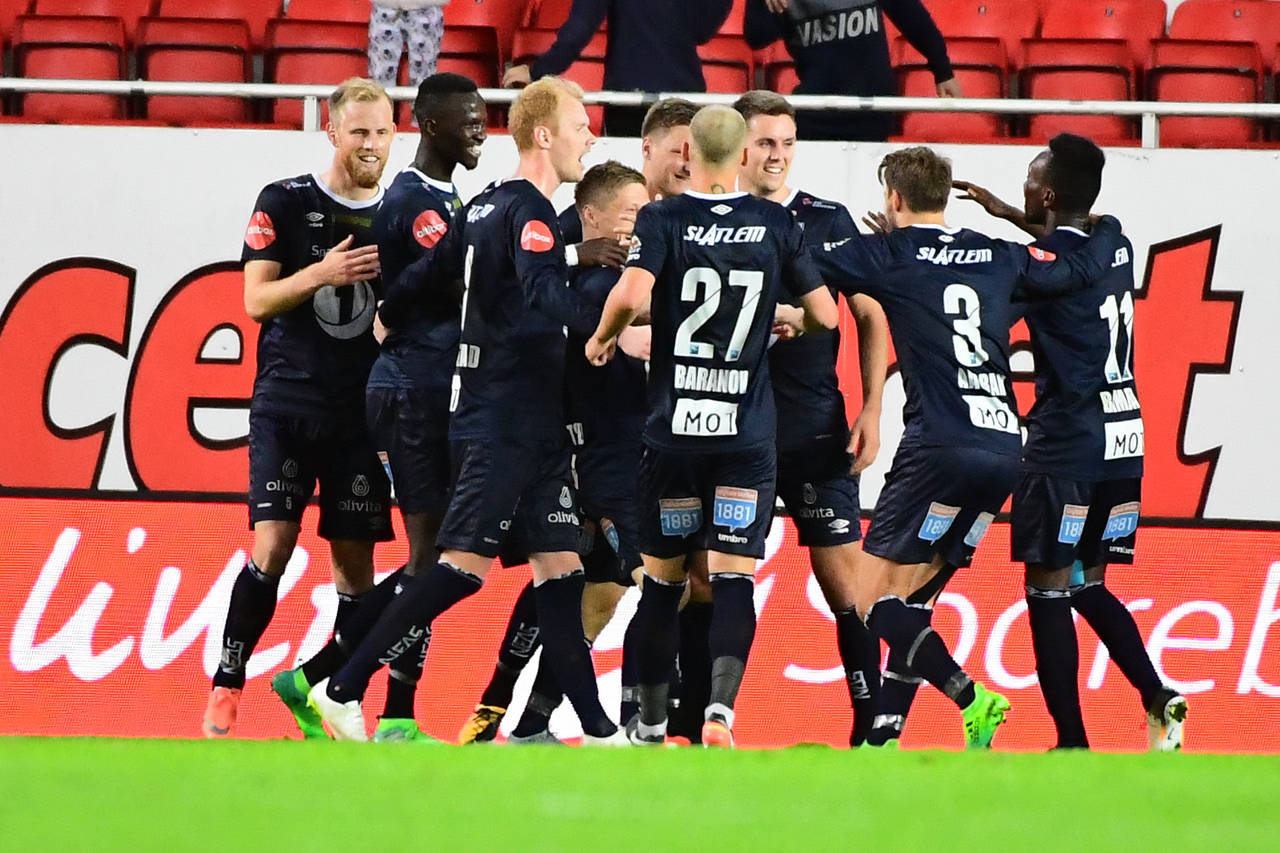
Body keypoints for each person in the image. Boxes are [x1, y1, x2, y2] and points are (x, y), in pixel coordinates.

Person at [309, 76, 627, 746]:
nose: (588, 137)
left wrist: (388, 314)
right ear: (544, 134)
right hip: (503, 421)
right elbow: (544, 294)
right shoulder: (530, 213)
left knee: (562, 572)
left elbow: (429, 275)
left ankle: (598, 729)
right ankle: (338, 689)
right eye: (579, 126)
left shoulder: (483, 206)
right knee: (459, 570)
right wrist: (609, 328)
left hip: (528, 423)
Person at [806, 146, 1124, 749]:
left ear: (894, 200)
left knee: (870, 601)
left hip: (938, 448)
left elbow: (800, 263)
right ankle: (884, 737)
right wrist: (1109, 232)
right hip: (1005, 447)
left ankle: (970, 696)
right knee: (916, 599)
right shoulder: (999, 256)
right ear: (945, 195)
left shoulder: (885, 252)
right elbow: (1073, 272)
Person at [586, 104, 840, 747]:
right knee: (731, 581)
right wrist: (786, 318)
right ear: (744, 156)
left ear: (691, 154)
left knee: (664, 584)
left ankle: (647, 724)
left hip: (673, 433)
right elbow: (827, 317)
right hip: (745, 437)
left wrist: (603, 337)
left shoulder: (664, 216)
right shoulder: (776, 221)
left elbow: (631, 295)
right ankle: (720, 714)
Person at [458, 98, 698, 745]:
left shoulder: (667, 224)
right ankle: (631, 728)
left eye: (693, 146)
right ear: (651, 150)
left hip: (626, 437)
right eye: (677, 145)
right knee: (642, 582)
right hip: (594, 443)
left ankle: (517, 714)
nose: (686, 157)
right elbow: (581, 308)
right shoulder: (580, 230)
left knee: (593, 589)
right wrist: (626, 337)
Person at [268, 73, 487, 743]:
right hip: (413, 391)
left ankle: (351, 691)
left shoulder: (448, 196)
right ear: (430, 123)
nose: (481, 127)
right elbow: (460, 282)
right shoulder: (419, 202)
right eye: (469, 117)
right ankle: (346, 688)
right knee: (433, 561)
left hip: (427, 387)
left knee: (434, 560)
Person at [953, 134, 1188, 751]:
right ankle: (1160, 696)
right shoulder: (1116, 240)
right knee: (1091, 583)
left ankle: (1072, 741)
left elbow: (995, 305)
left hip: (1065, 447)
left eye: (1031, 182)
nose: (1024, 189)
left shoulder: (1039, 271)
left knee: (1048, 589)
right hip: (1123, 438)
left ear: (1049, 195)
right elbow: (1082, 235)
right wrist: (1008, 213)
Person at [202, 78, 396, 738]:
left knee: (356, 565)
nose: (371, 144)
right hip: (287, 401)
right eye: (360, 131)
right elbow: (256, 302)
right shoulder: (284, 201)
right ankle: (228, 680)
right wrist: (322, 273)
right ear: (334, 132)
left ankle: (329, 698)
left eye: (382, 131)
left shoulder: (401, 214)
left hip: (362, 415)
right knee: (275, 541)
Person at [733, 89, 889, 746]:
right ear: (740, 145)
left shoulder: (827, 219)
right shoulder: (714, 218)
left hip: (817, 430)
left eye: (787, 143)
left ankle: (872, 727)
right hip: (733, 432)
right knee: (718, 581)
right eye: (766, 142)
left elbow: (872, 313)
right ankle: (706, 719)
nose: (777, 155)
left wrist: (875, 407)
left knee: (846, 586)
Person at [498, 161, 653, 745]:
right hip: (602, 458)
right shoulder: (594, 277)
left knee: (593, 595)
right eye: (630, 214)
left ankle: (529, 721)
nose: (640, 225)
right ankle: (640, 723)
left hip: (635, 451)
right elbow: (631, 332)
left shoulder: (621, 261)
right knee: (657, 587)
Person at [501, 0, 732, 136]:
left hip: (629, 100)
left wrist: (537, 71)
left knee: (624, 196)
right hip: (684, 93)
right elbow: (703, 30)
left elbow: (580, 28)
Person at [743, 0, 960, 142]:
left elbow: (911, 15)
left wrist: (942, 70)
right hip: (814, 114)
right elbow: (756, 36)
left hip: (871, 110)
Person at [368, 0, 448, 90]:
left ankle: (421, 103)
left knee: (423, 81)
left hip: (426, 7)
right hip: (386, 6)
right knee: (381, 80)